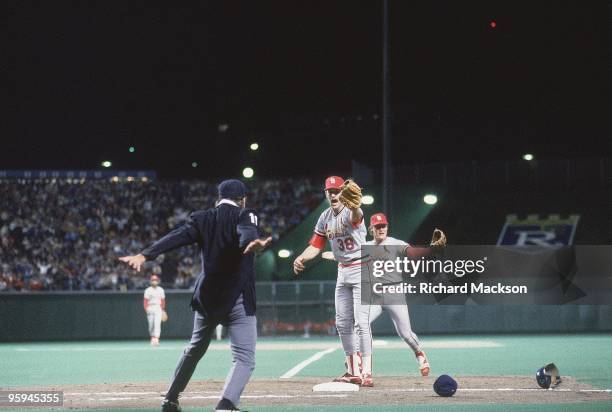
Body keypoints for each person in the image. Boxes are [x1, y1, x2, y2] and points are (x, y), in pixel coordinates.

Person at [119, 179, 272, 412]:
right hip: (238, 298)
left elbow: (177, 236)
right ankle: (226, 404)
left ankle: (170, 399)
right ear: (243, 200)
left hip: (208, 298)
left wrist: (145, 255)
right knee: (244, 357)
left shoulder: (202, 218)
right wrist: (253, 243)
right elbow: (247, 232)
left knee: (194, 349)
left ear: (218, 199)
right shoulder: (245, 214)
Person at [293, 176, 369, 385]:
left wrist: (356, 206)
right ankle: (354, 370)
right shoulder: (324, 217)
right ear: (325, 193)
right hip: (343, 271)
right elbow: (316, 245)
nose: (334, 195)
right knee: (342, 322)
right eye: (331, 191)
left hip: (361, 268)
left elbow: (357, 215)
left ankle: (366, 370)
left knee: (360, 322)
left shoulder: (351, 210)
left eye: (338, 191)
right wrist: (301, 257)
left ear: (343, 193)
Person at [144, 274, 166, 346]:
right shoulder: (148, 290)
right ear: (150, 281)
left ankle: (156, 339)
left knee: (157, 324)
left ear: (158, 281)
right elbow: (145, 301)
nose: (154, 281)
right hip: (150, 307)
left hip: (158, 308)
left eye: (155, 280)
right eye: (153, 280)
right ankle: (152, 338)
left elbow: (162, 301)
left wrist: (162, 310)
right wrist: (146, 309)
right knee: (151, 325)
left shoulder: (161, 290)